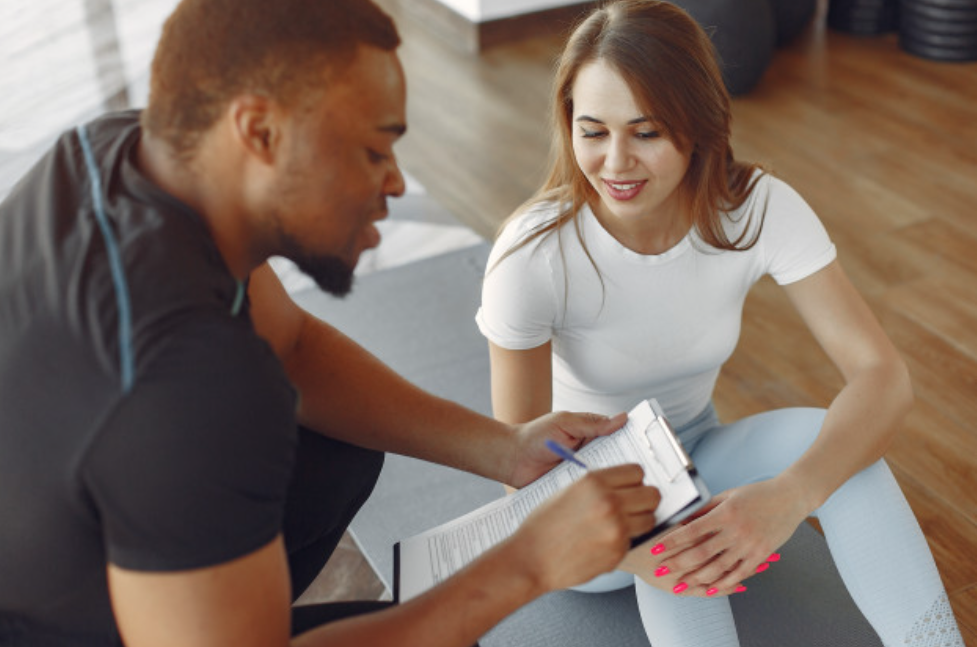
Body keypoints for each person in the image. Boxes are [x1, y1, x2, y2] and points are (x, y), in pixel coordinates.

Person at [0, 1, 664, 645]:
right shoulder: (187, 388)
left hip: (59, 514)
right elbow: (188, 396)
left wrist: (503, 446)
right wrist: (528, 564)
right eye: (373, 151)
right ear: (259, 132)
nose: (397, 182)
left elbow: (289, 345)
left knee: (334, 454)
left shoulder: (115, 153)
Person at [476, 1, 965, 646]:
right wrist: (637, 550)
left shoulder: (754, 209)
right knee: (673, 523)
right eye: (593, 131)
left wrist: (794, 495)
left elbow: (883, 377)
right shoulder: (532, 255)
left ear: (697, 125)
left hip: (699, 449)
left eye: (646, 132)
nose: (615, 163)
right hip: (581, 501)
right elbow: (523, 484)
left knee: (845, 453)